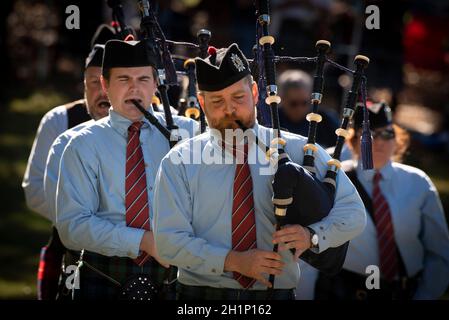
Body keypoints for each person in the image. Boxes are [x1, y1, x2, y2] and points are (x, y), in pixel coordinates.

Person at [152, 43, 366, 300]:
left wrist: (312, 236)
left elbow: (353, 212)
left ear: (254, 92)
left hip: (276, 293)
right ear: (202, 102)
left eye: (238, 98)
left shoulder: (298, 149)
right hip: (200, 295)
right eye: (217, 101)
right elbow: (167, 241)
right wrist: (233, 261)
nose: (229, 110)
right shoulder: (180, 161)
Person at [55, 39, 199, 300]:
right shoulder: (82, 144)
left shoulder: (188, 133)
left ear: (156, 84)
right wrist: (144, 241)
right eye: (123, 79)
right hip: (102, 272)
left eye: (144, 79)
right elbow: (72, 228)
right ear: (105, 85)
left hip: (177, 271)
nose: (135, 88)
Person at [315, 102, 449, 300]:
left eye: (387, 134)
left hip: (407, 292)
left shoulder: (418, 182)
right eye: (369, 135)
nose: (379, 142)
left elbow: (439, 251)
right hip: (346, 290)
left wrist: (426, 295)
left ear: (397, 139)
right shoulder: (333, 179)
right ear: (352, 141)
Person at [25, 24, 117, 300]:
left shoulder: (158, 122)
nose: (104, 93)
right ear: (84, 83)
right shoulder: (60, 121)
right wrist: (87, 224)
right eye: (94, 82)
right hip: (69, 251)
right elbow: (35, 191)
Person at [277, 69, 339, 148]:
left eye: (304, 103)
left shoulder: (326, 120)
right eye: (293, 104)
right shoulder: (272, 118)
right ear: (282, 99)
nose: (299, 109)